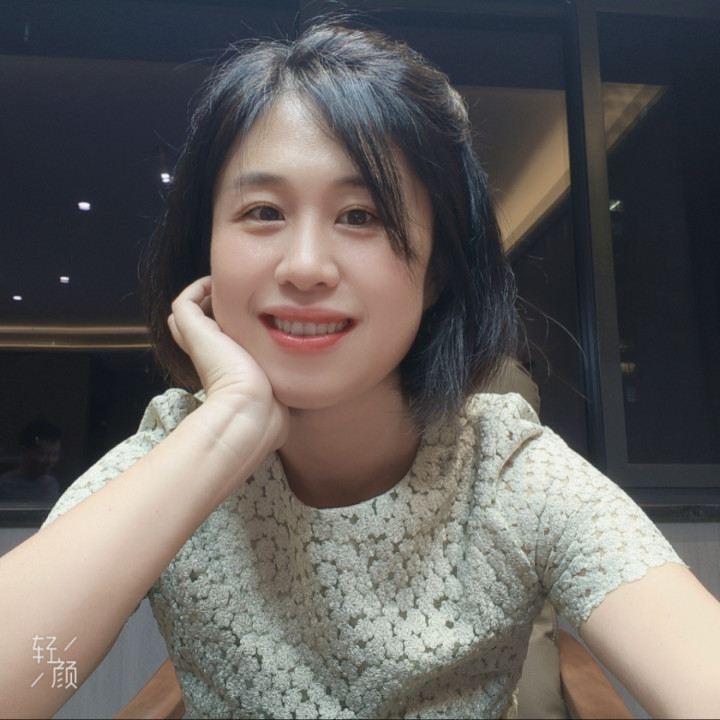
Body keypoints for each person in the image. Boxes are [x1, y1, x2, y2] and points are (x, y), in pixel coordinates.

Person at [1, 21, 719, 720]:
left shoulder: (505, 472)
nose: (306, 266)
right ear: (205, 254)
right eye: (262, 211)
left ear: (437, 271)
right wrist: (227, 427)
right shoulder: (173, 453)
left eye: (361, 216)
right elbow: (30, 670)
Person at [0, 419, 61, 504]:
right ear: (24, 451)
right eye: (42, 454)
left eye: (54, 454)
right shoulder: (4, 486)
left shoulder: (52, 484)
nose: (49, 461)